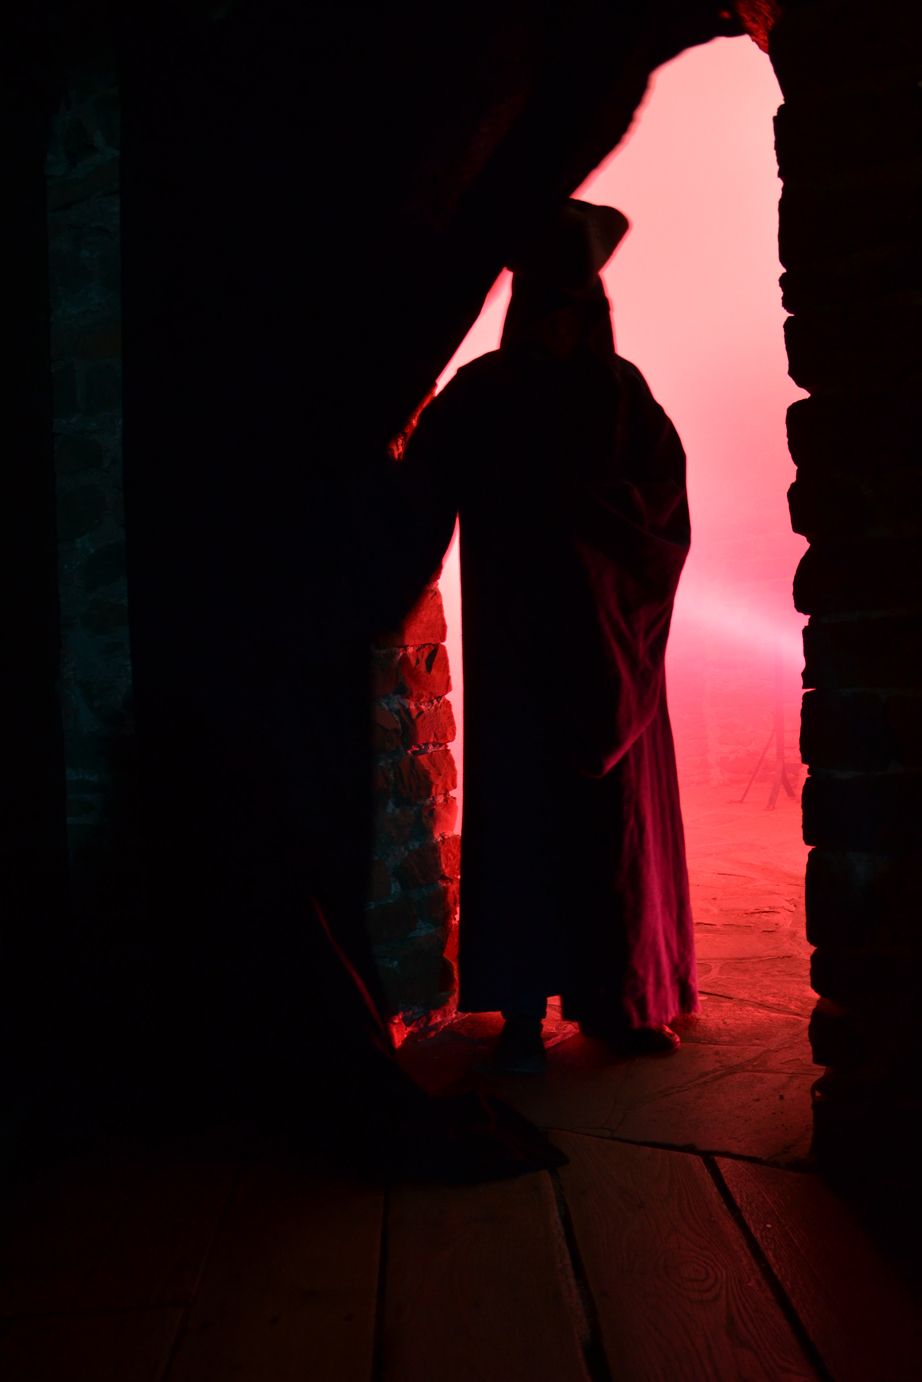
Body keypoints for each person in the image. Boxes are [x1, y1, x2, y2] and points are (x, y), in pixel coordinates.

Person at [397, 200, 698, 1073]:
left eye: (575, 304)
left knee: (615, 835)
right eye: (546, 304)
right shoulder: (483, 395)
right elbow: (417, 497)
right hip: (520, 650)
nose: (559, 322)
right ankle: (523, 1017)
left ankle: (625, 1000)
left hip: (613, 646)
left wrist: (577, 515)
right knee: (527, 827)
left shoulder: (622, 393)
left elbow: (662, 509)